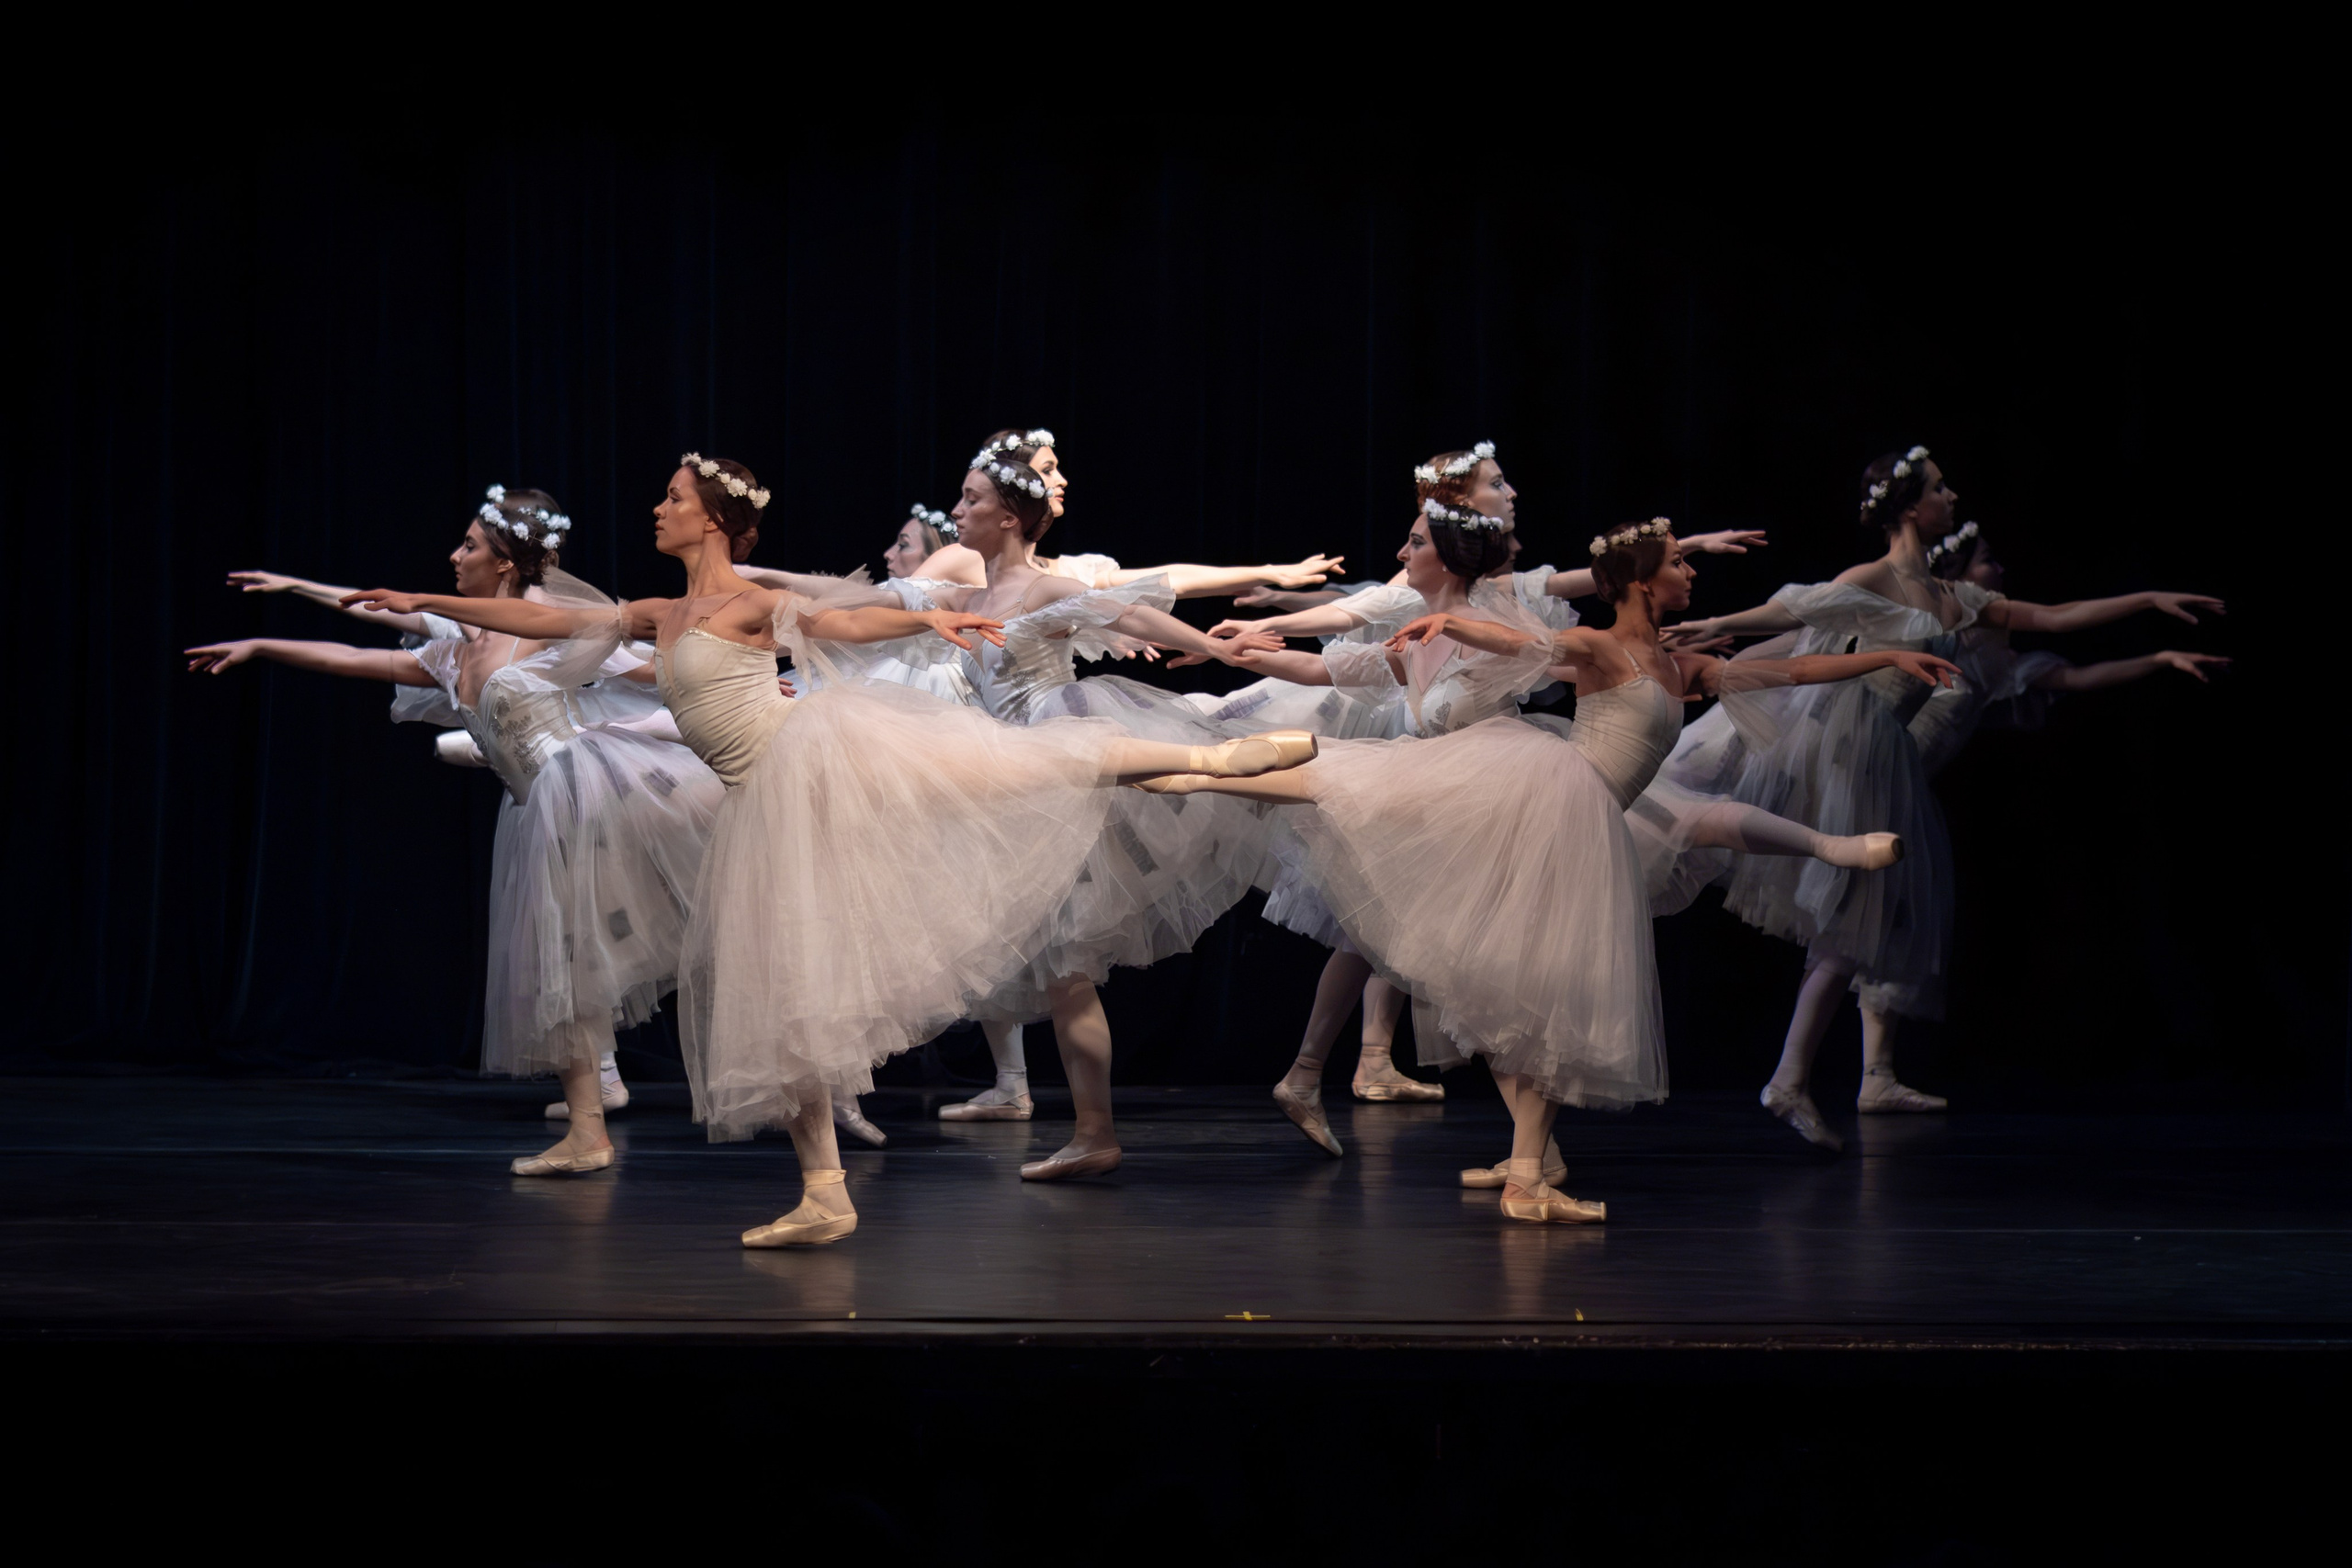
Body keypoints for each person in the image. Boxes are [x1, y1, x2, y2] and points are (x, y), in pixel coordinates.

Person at [340, 454, 1314, 1244]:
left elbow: (850, 619)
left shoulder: (746, 608)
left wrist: (931, 617)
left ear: (712, 521)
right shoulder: (658, 614)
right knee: (785, 990)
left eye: (671, 499)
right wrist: (434, 601)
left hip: (812, 765)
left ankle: (1207, 758)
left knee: (1021, 768)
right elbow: (546, 618)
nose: (656, 508)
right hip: (758, 805)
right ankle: (823, 1191)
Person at [1136, 519, 1954, 1223]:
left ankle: (1532, 1165)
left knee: (1528, 993)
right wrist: (1450, 629)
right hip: (1547, 801)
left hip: (1580, 820)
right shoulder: (1598, 645)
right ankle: (1214, 768)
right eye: (1678, 561)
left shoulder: (1682, 665)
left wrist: (1884, 655)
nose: (1690, 572)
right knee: (1529, 972)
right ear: (1639, 579)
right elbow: (1532, 642)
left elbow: (1791, 671)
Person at [1660, 448, 2223, 1147]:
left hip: (1883, 755)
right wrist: (1718, 626)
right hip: (1848, 745)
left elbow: (2055, 616)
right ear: (1909, 509)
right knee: (1850, 916)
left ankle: (1801, 1077)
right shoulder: (1877, 580)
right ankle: (1794, 1078)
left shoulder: (1958, 599)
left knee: (1855, 922)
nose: (1951, 496)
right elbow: (1800, 608)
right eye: (1939, 488)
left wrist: (2146, 600)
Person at [190, 490, 726, 1172]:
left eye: (469, 544)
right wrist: (263, 640)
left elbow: (653, 665)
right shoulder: (449, 658)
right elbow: (354, 651)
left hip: (588, 792)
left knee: (627, 939)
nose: (454, 554)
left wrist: (738, 689)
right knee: (559, 968)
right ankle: (588, 1131)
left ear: (504, 565)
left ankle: (700, 1092)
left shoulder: (543, 625)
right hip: (536, 810)